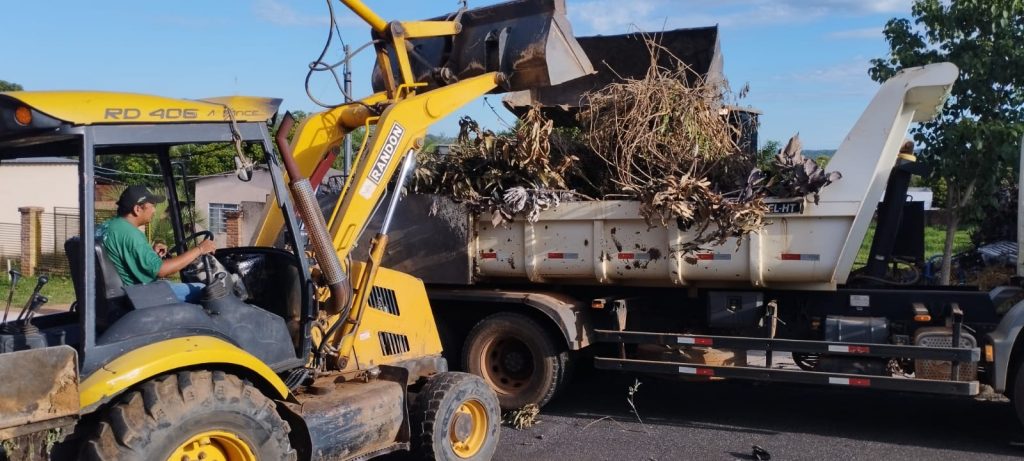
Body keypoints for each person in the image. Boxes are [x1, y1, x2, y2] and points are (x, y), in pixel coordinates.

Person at [97, 185, 215, 303]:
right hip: (137, 296)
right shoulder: (130, 234)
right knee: (205, 289)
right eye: (152, 205)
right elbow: (161, 270)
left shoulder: (107, 227)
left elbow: (123, 257)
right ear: (137, 209)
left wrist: (151, 254)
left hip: (115, 296)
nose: (154, 210)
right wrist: (200, 249)